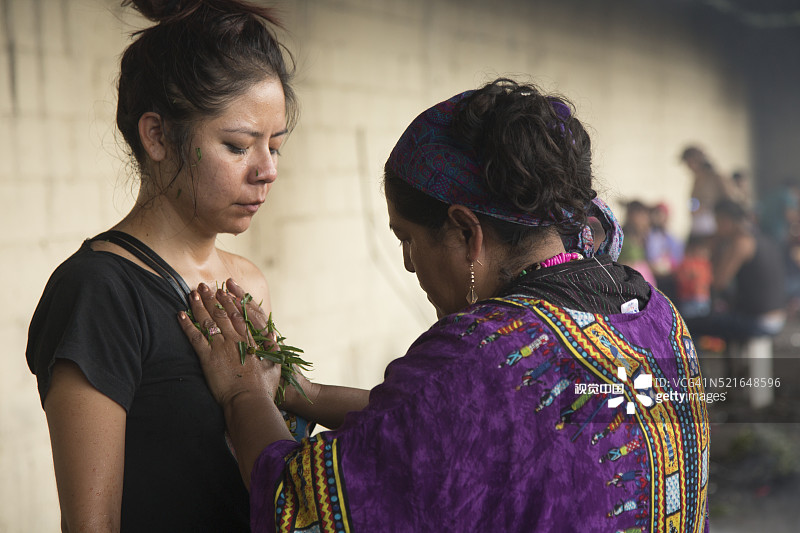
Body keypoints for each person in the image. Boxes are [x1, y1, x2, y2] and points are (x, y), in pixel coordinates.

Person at [178, 79, 710, 532]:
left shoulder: (479, 354)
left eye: (408, 239)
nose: (409, 265)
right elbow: (467, 425)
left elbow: (298, 505)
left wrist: (244, 391)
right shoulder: (656, 315)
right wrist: (304, 394)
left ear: (465, 232)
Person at [25, 1, 297, 530]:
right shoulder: (100, 291)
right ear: (156, 136)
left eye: (276, 146)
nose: (266, 170)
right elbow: (91, 524)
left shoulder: (247, 283)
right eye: (238, 145)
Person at [684, 199, 787, 341]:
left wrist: (714, 250)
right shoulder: (762, 238)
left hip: (758, 321)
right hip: (777, 317)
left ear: (725, 220)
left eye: (717, 222)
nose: (716, 228)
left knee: (687, 325)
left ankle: (691, 363)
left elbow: (718, 282)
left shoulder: (741, 242)